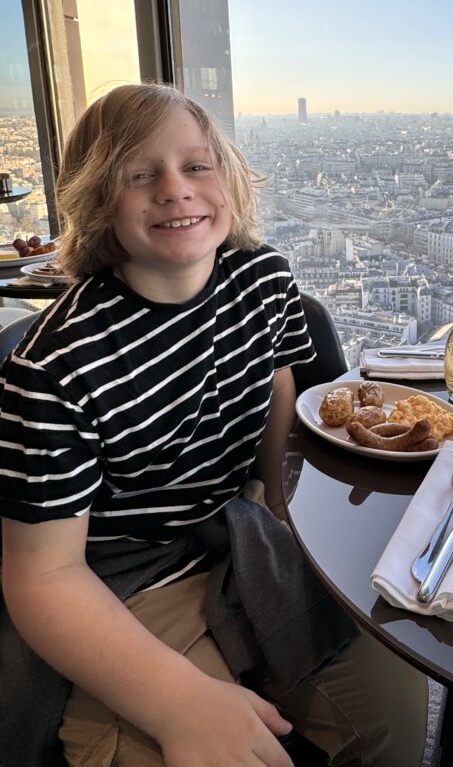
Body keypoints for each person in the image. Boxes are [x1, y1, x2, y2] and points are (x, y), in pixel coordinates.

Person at [0, 84, 428, 767]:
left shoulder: (264, 280)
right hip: (128, 574)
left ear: (228, 178)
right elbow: (43, 575)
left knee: (395, 702)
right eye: (139, 175)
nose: (175, 189)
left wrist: (282, 507)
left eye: (197, 166)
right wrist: (177, 701)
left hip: (242, 527)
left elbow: (277, 384)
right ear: (96, 201)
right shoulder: (51, 368)